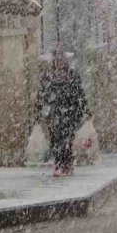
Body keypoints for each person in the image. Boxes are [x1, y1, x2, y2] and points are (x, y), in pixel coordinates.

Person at [38, 46, 88, 177]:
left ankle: (66, 163)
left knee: (67, 140)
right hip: (55, 113)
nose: (59, 63)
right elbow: (42, 94)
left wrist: (83, 109)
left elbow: (80, 93)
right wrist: (42, 110)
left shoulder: (72, 74)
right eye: (57, 60)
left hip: (70, 112)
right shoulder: (48, 76)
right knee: (56, 139)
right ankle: (59, 163)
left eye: (61, 60)